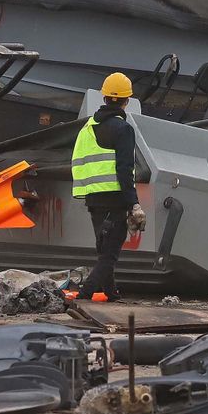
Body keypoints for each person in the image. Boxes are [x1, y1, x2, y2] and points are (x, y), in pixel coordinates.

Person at [71, 72, 146, 301]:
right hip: (114, 199)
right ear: (127, 101)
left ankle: (111, 293)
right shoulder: (123, 130)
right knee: (110, 255)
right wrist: (133, 204)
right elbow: (125, 170)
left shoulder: (88, 129)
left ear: (104, 98)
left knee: (104, 250)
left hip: (93, 198)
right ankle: (84, 295)